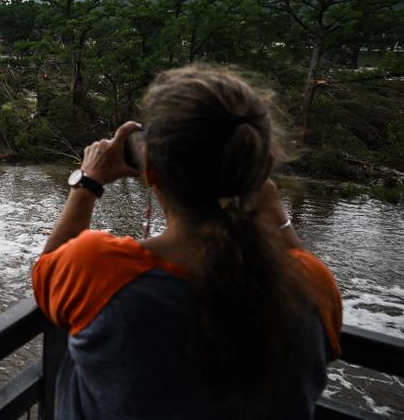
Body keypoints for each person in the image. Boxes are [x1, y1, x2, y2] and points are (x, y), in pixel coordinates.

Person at [32, 66, 342, 419]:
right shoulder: (311, 286)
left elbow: (47, 273)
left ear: (150, 169)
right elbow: (298, 276)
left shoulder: (104, 271)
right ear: (262, 167)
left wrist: (87, 183)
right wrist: (273, 211)